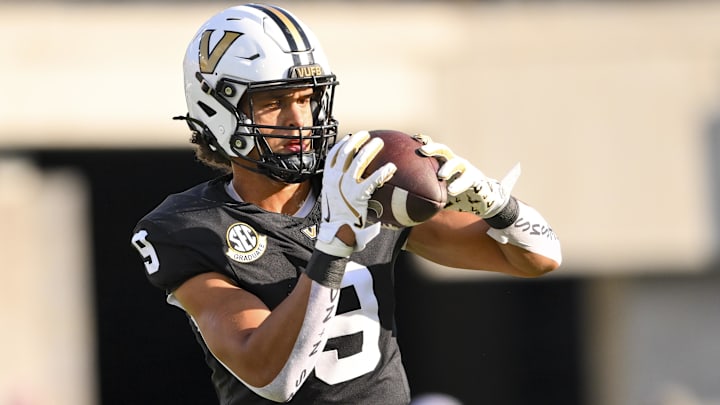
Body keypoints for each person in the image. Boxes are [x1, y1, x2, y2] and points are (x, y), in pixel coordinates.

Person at [130, 4, 562, 404]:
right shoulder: (188, 228)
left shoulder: (362, 183)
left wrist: (495, 203)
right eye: (275, 102)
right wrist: (335, 242)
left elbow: (536, 259)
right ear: (217, 109)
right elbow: (271, 376)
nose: (299, 121)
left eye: (305, 98)